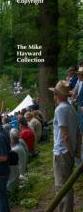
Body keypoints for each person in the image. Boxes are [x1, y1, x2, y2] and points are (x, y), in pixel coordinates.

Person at [49, 80, 80, 212]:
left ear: (57, 94)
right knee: (67, 186)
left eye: (54, 93)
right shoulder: (71, 109)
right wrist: (76, 150)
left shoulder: (60, 109)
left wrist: (72, 151)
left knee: (62, 188)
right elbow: (78, 133)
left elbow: (65, 135)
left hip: (62, 152)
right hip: (68, 151)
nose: (54, 96)